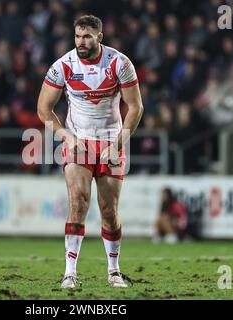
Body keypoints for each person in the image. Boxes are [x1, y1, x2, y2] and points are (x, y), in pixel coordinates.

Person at [37, 15, 143, 288]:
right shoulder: (63, 66)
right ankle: (70, 273)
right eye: (77, 36)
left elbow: (135, 107)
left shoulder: (119, 63)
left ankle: (114, 271)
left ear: (100, 37)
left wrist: (117, 144)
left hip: (111, 142)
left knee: (109, 211)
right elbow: (43, 108)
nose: (80, 42)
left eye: (86, 37)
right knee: (78, 202)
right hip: (79, 142)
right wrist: (65, 136)